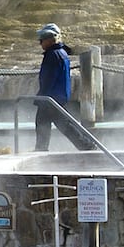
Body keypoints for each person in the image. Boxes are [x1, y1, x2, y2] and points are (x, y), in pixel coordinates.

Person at [34, 23, 94, 151]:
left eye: (42, 40)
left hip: (51, 97)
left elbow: (48, 78)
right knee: (51, 124)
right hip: (56, 96)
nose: (40, 43)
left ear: (50, 39)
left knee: (63, 126)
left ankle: (88, 147)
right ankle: (41, 149)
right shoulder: (60, 52)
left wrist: (42, 96)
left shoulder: (53, 55)